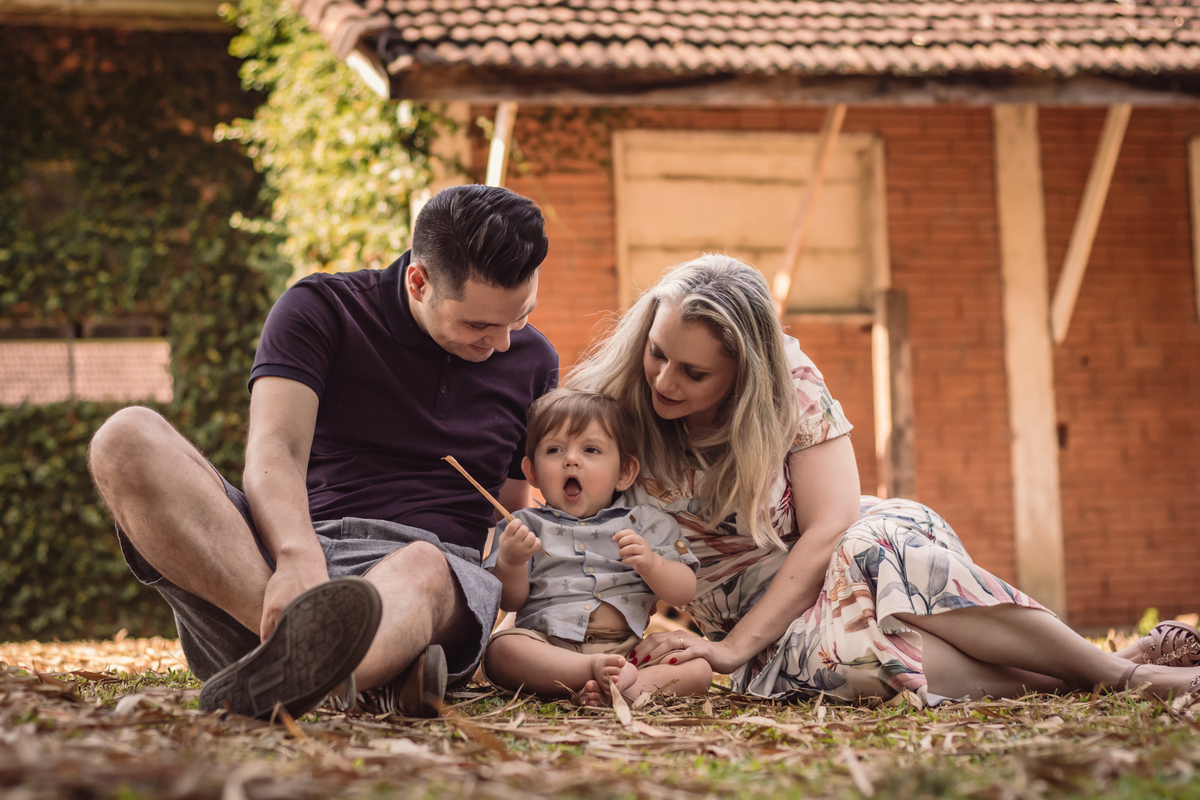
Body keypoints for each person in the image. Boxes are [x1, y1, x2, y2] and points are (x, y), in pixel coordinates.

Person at [567, 253, 1200, 705]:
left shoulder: (788, 382)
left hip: (858, 547)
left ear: (745, 374)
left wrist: (731, 654)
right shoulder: (609, 412)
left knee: (869, 550)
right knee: (851, 662)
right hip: (769, 624)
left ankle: (1122, 680)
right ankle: (1101, 670)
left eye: (693, 373)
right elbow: (607, 551)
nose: (664, 381)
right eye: (657, 352)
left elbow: (832, 527)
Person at [88, 185, 558, 719]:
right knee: (125, 438)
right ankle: (339, 667)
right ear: (418, 280)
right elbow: (276, 447)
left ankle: (312, 667)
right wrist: (296, 559)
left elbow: (514, 501)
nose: (502, 344)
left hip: (429, 582)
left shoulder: (535, 359)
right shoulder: (321, 309)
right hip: (275, 571)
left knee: (424, 565)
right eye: (478, 324)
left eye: (519, 317)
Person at [482, 388, 712, 704]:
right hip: (551, 650)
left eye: (590, 449)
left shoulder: (646, 523)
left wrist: (651, 564)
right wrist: (511, 561)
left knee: (698, 668)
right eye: (554, 450)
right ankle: (588, 673)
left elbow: (684, 590)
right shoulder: (522, 527)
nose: (571, 460)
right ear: (532, 471)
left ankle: (627, 689)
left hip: (627, 657)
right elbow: (510, 600)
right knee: (501, 651)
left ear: (625, 472)